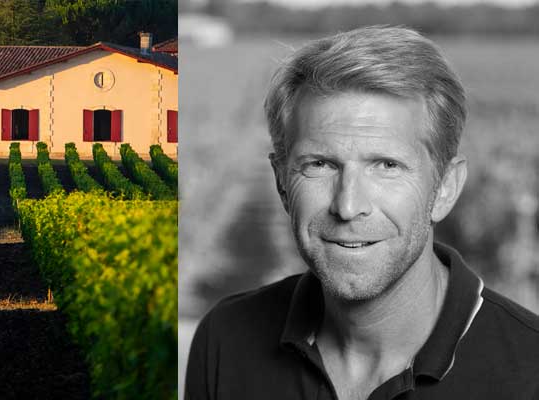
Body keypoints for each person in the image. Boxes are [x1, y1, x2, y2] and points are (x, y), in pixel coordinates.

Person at [184, 26, 539, 400]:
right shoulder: (225, 341)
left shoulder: (530, 371)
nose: (348, 206)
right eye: (320, 164)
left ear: (446, 188)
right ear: (281, 181)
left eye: (386, 166)